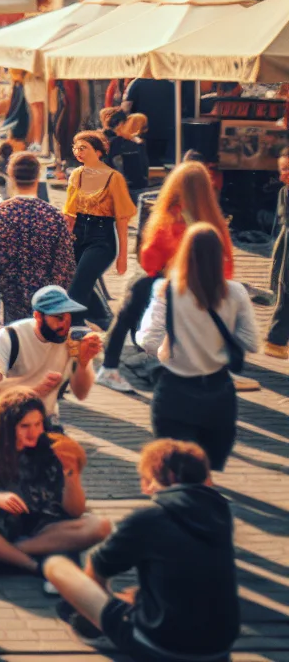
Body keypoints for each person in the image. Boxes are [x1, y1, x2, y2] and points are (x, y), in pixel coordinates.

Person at [43, 440, 239, 662]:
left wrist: (102, 611)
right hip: (219, 650)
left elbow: (97, 569)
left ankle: (96, 629)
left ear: (168, 478)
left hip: (162, 647)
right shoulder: (221, 515)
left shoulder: (150, 518)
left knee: (56, 566)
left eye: (145, 479)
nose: (144, 488)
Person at [0, 388, 109, 580]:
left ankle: (1, 553)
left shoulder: (52, 445)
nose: (34, 432)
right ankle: (30, 564)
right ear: (7, 427)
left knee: (100, 526)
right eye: (24, 426)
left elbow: (75, 511)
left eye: (38, 424)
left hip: (41, 532)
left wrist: (72, 476)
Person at [103, 160, 232, 394]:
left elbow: (148, 258)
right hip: (203, 288)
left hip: (166, 283)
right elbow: (227, 263)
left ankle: (109, 367)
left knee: (126, 314)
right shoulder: (213, 220)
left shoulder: (170, 216)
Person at [139, 223, 258, 470]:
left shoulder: (167, 290)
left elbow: (148, 339)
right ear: (220, 255)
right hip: (218, 395)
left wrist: (167, 349)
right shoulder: (235, 293)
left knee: (176, 471)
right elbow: (251, 341)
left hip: (174, 393)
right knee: (205, 473)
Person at [0, 285, 103, 427]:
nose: (65, 325)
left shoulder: (69, 341)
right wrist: (34, 390)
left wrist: (84, 363)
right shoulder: (10, 336)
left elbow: (81, 393)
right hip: (5, 423)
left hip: (43, 423)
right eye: (59, 317)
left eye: (69, 317)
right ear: (38, 316)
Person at [0, 152, 76, 329]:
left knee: (16, 342)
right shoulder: (52, 215)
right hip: (45, 293)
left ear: (11, 177)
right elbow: (65, 264)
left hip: (10, 291)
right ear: (38, 176)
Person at [61, 131, 135, 327]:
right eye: (76, 148)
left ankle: (75, 329)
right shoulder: (76, 175)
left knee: (77, 289)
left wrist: (123, 257)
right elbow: (69, 213)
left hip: (101, 237)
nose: (78, 152)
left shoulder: (114, 178)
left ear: (98, 152)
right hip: (77, 234)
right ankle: (102, 318)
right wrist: (63, 242)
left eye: (83, 148)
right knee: (74, 279)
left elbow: (122, 219)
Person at [271, 150, 289, 359]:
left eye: (286, 169)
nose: (283, 174)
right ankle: (275, 339)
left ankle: (276, 339)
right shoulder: (284, 192)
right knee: (285, 293)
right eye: (281, 170)